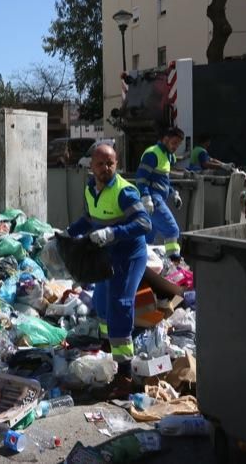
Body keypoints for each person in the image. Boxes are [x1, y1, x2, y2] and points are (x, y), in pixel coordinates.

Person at [67, 144, 151, 398]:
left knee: (119, 305)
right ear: (91, 166)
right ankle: (107, 348)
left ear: (117, 164)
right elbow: (89, 219)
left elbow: (144, 223)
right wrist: (66, 234)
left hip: (128, 256)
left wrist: (113, 232)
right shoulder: (91, 189)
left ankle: (125, 373)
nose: (106, 168)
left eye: (110, 163)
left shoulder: (124, 192)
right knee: (101, 303)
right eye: (100, 163)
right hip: (106, 257)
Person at [135, 127, 184, 259]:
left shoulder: (166, 156)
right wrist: (146, 197)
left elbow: (162, 182)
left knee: (147, 238)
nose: (175, 147)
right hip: (153, 200)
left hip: (154, 200)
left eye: (178, 145)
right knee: (172, 230)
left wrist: (174, 194)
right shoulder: (153, 153)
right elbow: (141, 177)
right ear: (165, 139)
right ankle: (174, 263)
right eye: (174, 143)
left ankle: (144, 265)